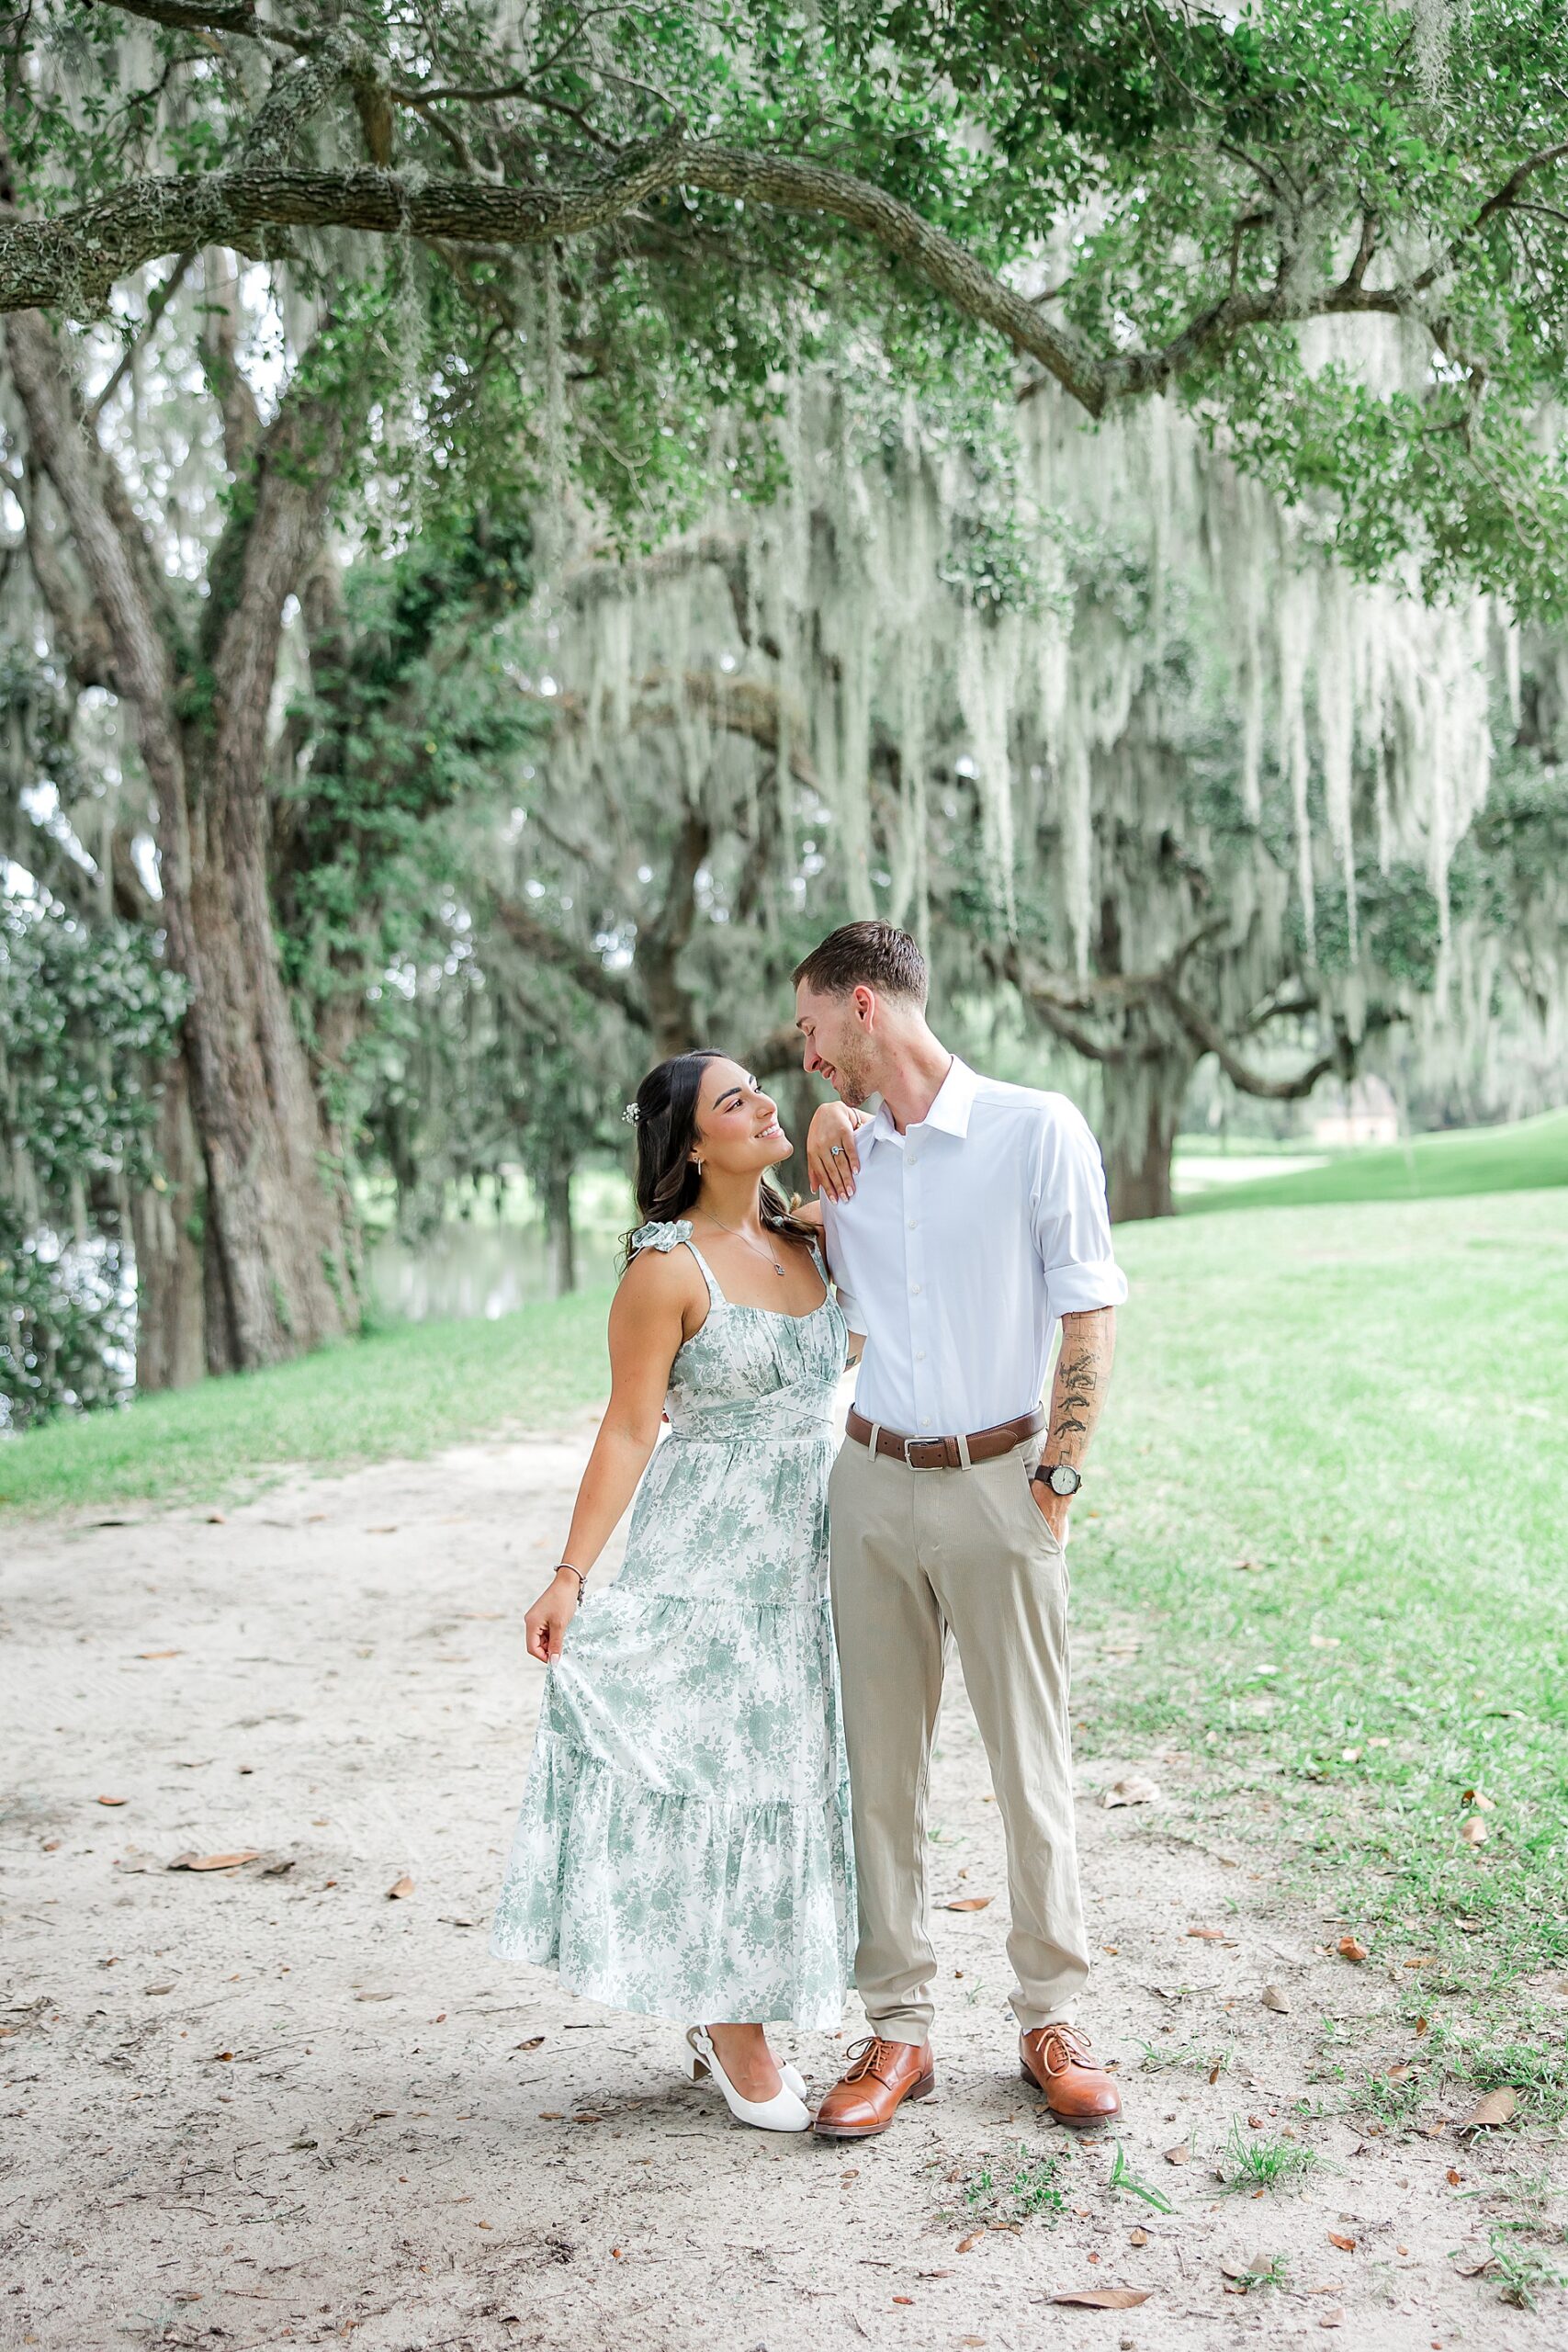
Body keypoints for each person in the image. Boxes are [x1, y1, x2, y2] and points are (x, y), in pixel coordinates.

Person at [795, 920, 1126, 2139]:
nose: (805, 1051)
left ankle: (1049, 2013)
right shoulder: (837, 1159)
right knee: (877, 1772)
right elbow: (749, 1209)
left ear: (865, 1007)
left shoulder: (1035, 1130)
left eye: (811, 1024)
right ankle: (897, 2030)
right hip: (870, 1487)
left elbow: (1085, 1314)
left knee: (1026, 1762)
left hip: (1002, 1478)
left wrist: (1057, 1478)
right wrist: (818, 1127)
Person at [490, 1052, 856, 2133]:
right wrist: (569, 1575)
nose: (764, 1105)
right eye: (734, 1101)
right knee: (723, 1778)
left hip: (804, 1563)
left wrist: (838, 1110)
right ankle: (735, 2025)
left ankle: (736, 2002)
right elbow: (630, 1426)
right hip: (705, 1570)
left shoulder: (807, 1240)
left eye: (762, 1088)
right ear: (695, 1145)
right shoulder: (665, 1269)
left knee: (789, 1774)